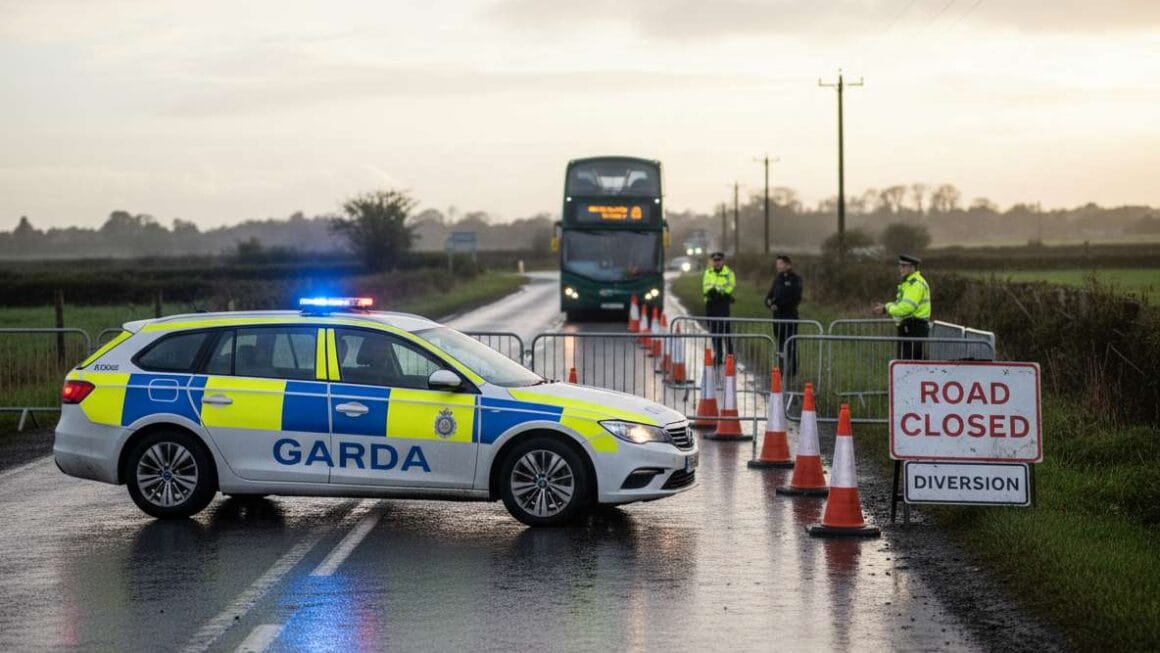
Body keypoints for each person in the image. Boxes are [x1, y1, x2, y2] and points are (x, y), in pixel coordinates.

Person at [873, 254, 931, 360]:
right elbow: (900, 304)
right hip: (911, 328)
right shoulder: (909, 282)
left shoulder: (915, 284)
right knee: (913, 362)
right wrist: (886, 307)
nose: (900, 268)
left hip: (914, 328)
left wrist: (887, 308)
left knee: (909, 364)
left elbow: (906, 307)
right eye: (900, 265)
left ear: (912, 267)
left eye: (904, 266)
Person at [764, 254, 802, 376]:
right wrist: (769, 304)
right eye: (777, 264)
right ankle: (781, 370)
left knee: (790, 344)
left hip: (790, 317)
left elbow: (795, 298)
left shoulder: (796, 279)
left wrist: (778, 304)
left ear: (788, 265)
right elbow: (769, 296)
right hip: (777, 318)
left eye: (780, 264)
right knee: (780, 345)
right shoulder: (778, 279)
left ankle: (792, 371)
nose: (778, 267)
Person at [702, 251, 736, 364]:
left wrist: (721, 293)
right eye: (715, 260)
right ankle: (718, 355)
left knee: (725, 330)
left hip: (723, 304)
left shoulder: (729, 273)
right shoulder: (708, 272)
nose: (717, 262)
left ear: (723, 261)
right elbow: (705, 287)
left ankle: (730, 355)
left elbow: (730, 286)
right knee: (714, 331)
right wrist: (713, 293)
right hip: (711, 304)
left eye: (719, 260)